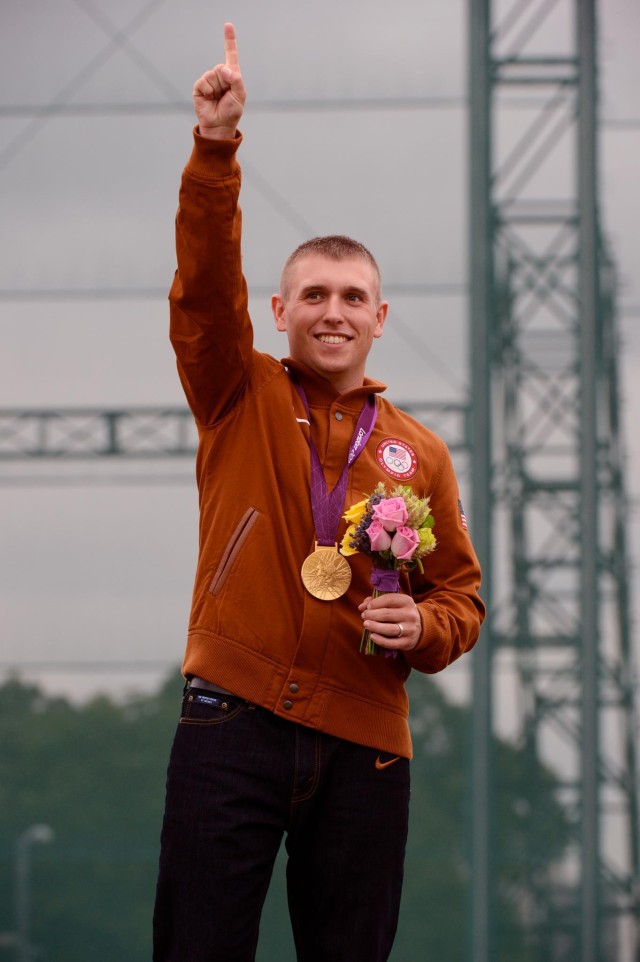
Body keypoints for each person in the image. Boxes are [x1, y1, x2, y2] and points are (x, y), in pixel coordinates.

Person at [153, 22, 484, 962]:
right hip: (230, 719)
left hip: (368, 739)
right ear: (279, 311)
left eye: (351, 297)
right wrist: (215, 147)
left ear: (381, 318)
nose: (332, 312)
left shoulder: (418, 451)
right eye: (313, 295)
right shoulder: (234, 387)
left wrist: (426, 630)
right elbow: (203, 285)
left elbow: (460, 596)